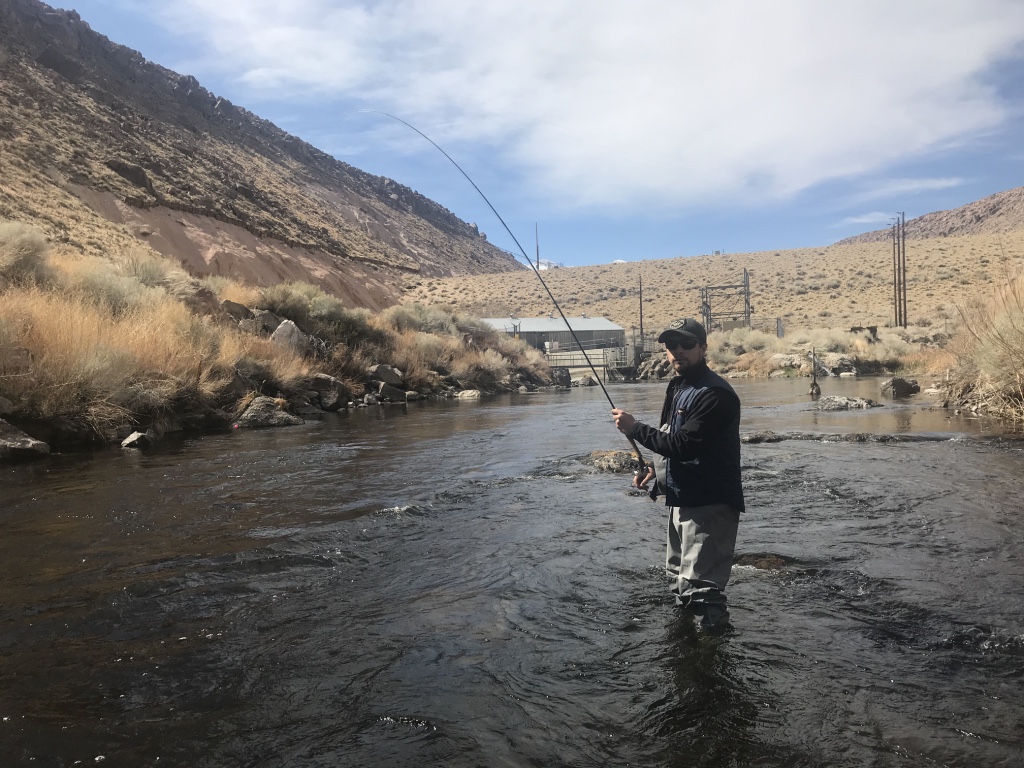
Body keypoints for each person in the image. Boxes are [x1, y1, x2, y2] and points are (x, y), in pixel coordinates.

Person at [611, 318, 744, 632]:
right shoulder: (679, 386)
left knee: (703, 591)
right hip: (681, 499)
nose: (677, 352)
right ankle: (686, 651)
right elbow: (672, 443)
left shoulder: (715, 394)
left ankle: (712, 658)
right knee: (679, 583)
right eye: (671, 346)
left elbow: (684, 446)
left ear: (702, 347)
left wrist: (635, 429)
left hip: (710, 504)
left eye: (686, 345)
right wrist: (655, 477)